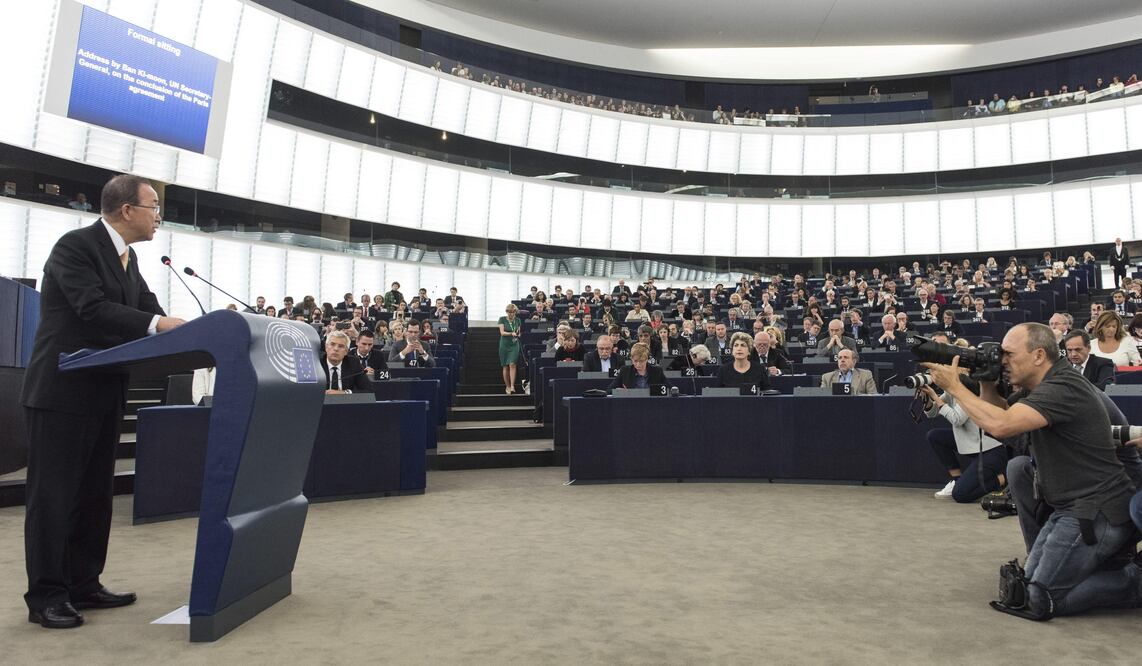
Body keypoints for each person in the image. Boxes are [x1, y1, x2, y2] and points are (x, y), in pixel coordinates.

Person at [21, 174, 184, 629]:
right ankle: (47, 595)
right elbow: (91, 309)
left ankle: (83, 583)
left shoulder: (129, 260)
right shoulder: (76, 247)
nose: (159, 217)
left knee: (94, 494)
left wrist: (188, 327)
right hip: (62, 391)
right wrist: (160, 324)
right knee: (53, 497)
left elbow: (149, 308)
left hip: (104, 389)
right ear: (127, 210)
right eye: (154, 207)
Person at [923, 323, 1141, 620]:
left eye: (1009, 355)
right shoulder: (1039, 387)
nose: (1003, 361)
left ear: (1039, 355)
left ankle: (1133, 582)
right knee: (1023, 584)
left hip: (1097, 511)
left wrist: (955, 387)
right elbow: (1003, 414)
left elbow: (1001, 424)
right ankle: (1096, 570)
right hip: (1073, 508)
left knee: (1039, 599)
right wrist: (986, 381)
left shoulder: (1063, 387)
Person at [920, 377, 1008, 502]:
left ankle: (1004, 478)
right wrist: (927, 397)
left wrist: (935, 396)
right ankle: (956, 479)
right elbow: (932, 413)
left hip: (991, 451)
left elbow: (957, 419)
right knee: (935, 436)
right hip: (972, 444)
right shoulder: (950, 392)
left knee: (961, 495)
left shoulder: (968, 391)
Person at [498, 303, 522, 394]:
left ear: (515, 312)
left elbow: (519, 332)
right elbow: (502, 332)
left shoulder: (518, 320)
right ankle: (507, 386)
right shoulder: (502, 319)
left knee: (512, 364)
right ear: (506, 312)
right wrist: (511, 333)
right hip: (504, 344)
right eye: (509, 312)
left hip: (514, 344)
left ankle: (512, 386)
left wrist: (518, 334)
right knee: (505, 366)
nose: (511, 314)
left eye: (513, 312)